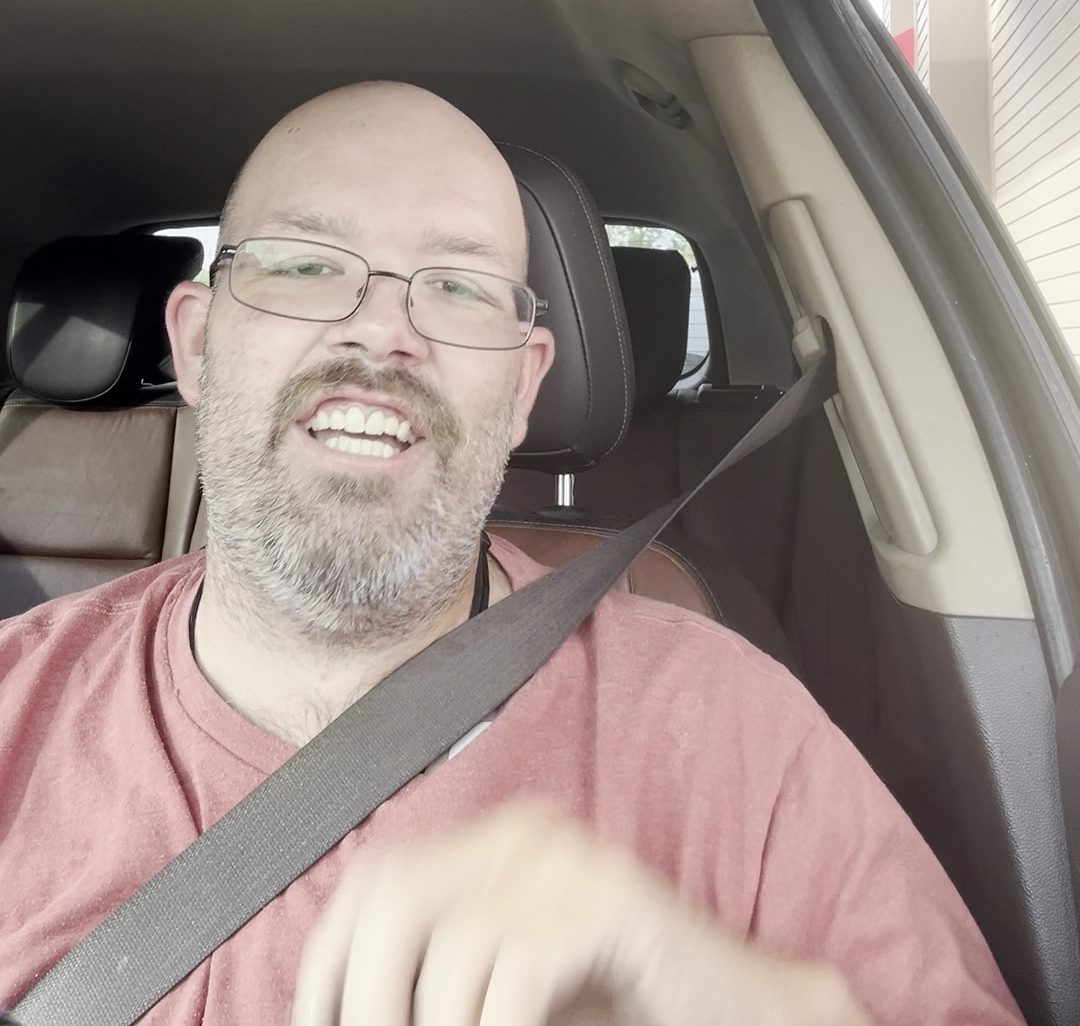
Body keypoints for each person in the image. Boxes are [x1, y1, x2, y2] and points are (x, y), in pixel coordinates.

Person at [0, 82, 1022, 1026]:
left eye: (457, 286)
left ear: (526, 384)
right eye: (306, 265)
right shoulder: (17, 713)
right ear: (195, 342)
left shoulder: (731, 735)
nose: (382, 332)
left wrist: (725, 997)